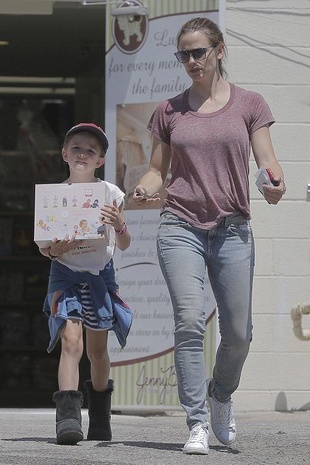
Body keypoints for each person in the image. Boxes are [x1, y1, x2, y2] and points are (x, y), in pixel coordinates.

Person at [133, 17, 286, 455]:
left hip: (232, 228)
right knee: (189, 320)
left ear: (219, 51)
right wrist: (146, 187)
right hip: (180, 224)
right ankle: (197, 421)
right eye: (184, 54)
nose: (191, 61)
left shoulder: (250, 104)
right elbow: (156, 170)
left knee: (239, 333)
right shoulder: (169, 110)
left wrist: (274, 182)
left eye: (199, 51)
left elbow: (268, 162)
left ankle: (220, 394)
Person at [38, 123, 132, 445]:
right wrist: (54, 249)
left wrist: (120, 225)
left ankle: (101, 417)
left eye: (91, 150)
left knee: (98, 352)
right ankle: (67, 419)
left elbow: (125, 244)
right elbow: (45, 248)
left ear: (100, 161)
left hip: (99, 276)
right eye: (76, 147)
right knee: (71, 343)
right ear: (65, 154)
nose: (83, 153)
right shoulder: (53, 197)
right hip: (65, 273)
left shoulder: (111, 194)